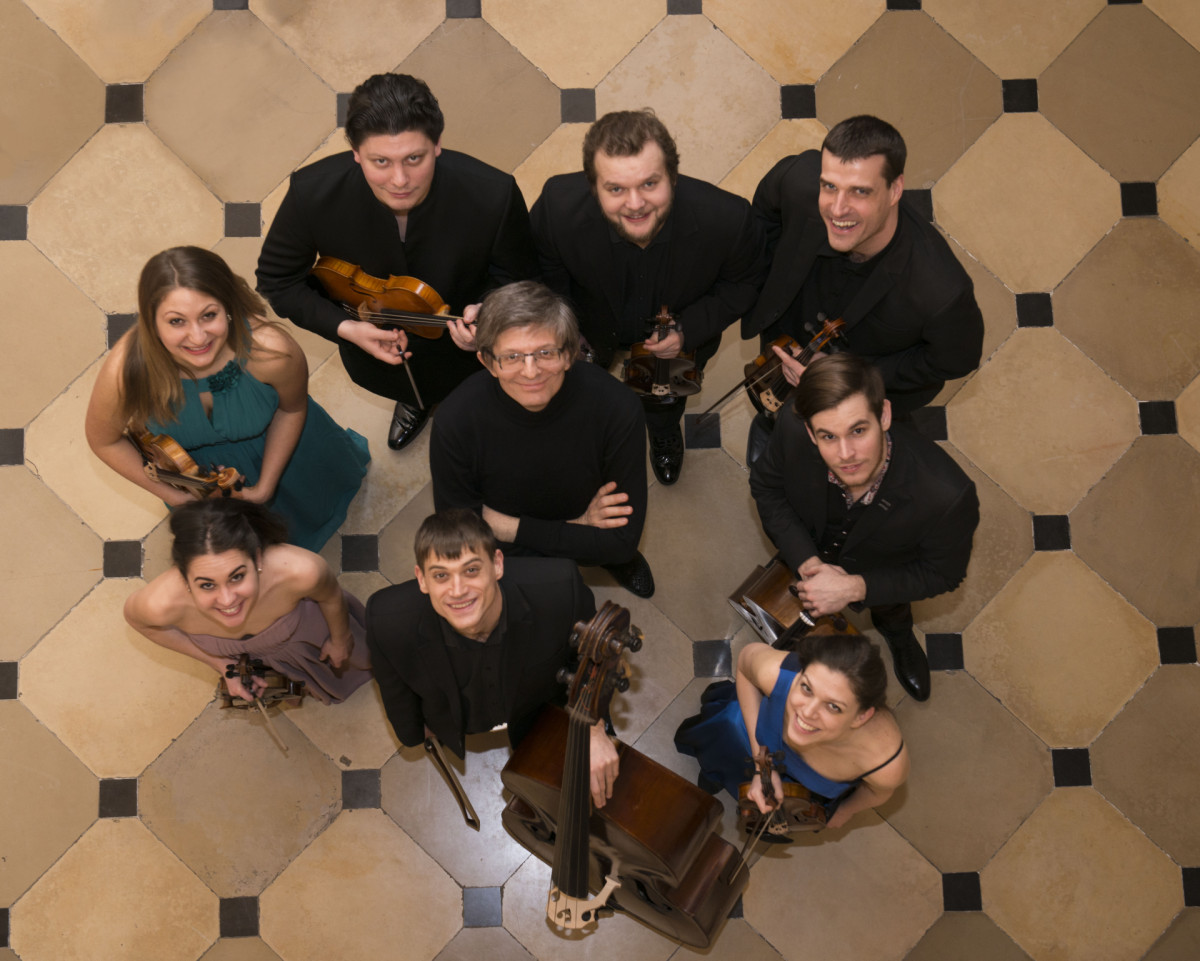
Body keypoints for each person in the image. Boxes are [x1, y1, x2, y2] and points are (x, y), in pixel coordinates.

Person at [257, 72, 539, 451]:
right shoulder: (311, 193)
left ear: (437, 144)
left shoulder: (494, 194)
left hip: (463, 348)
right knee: (409, 387)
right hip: (373, 340)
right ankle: (414, 399)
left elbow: (520, 277)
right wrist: (347, 328)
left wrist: (491, 312)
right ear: (355, 153)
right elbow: (277, 281)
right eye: (381, 161)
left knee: (483, 394)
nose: (400, 180)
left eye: (414, 158)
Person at [530, 109, 768, 485]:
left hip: (677, 347)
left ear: (672, 176)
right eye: (615, 189)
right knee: (581, 391)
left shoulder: (729, 219)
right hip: (592, 328)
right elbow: (545, 274)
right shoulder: (557, 208)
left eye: (649, 184)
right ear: (593, 187)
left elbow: (744, 284)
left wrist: (687, 331)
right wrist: (565, 328)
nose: (635, 203)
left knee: (665, 400)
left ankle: (662, 429)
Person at [86, 246, 369, 553]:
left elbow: (292, 409)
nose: (198, 338)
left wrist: (264, 488)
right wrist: (175, 496)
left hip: (287, 454)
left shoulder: (271, 350)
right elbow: (104, 441)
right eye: (176, 321)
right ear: (152, 323)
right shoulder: (124, 371)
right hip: (198, 480)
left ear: (229, 307)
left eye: (209, 315)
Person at [744, 115, 984, 460]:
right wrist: (769, 276)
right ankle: (773, 425)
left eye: (860, 191)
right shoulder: (798, 180)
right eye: (830, 186)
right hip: (788, 330)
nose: (837, 210)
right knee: (779, 400)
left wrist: (853, 376)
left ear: (895, 190)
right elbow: (764, 212)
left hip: (860, 378)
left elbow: (955, 360)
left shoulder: (941, 291)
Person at [749, 353, 979, 702]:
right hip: (809, 542)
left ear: (884, 415)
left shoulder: (947, 496)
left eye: (858, 431)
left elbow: (943, 574)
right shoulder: (792, 428)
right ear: (810, 432)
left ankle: (898, 633)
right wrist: (807, 563)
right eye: (828, 436)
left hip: (881, 571)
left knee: (891, 608)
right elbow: (767, 489)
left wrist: (854, 587)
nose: (846, 454)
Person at [365, 509, 620, 807]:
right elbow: (394, 689)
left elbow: (593, 660)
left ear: (497, 564)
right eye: (441, 575)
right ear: (422, 579)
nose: (458, 591)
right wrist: (411, 734)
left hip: (536, 710)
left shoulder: (561, 588)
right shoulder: (386, 620)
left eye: (471, 570)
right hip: (460, 719)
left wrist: (593, 727)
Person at [430, 280, 654, 598]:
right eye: (512, 357)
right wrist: (577, 529)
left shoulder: (617, 406)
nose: (531, 372)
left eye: (545, 352)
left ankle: (596, 557)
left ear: (570, 354)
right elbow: (463, 531)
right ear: (488, 362)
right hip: (509, 549)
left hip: (517, 524)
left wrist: (508, 526)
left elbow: (620, 543)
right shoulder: (454, 421)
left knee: (613, 553)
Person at [124, 499, 372, 705]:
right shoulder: (158, 604)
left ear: (258, 559)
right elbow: (140, 624)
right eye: (207, 585)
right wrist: (220, 662)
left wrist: (340, 639)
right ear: (184, 576)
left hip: (311, 638)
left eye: (237, 577)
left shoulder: (302, 571)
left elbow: (331, 597)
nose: (227, 600)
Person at [675, 634, 908, 831]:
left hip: (801, 792)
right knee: (730, 731)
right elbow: (746, 660)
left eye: (833, 706)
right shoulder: (775, 673)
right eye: (806, 688)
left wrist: (846, 811)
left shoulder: (884, 764)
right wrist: (763, 767)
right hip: (753, 741)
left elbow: (878, 792)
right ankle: (717, 770)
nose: (807, 712)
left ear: (861, 717)